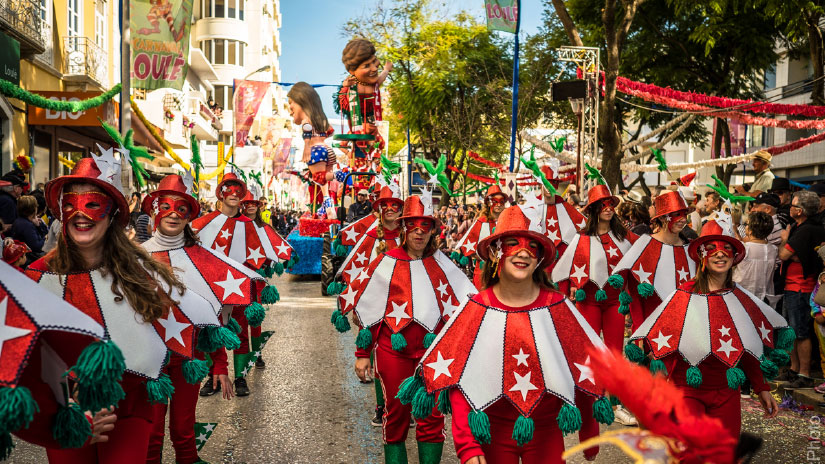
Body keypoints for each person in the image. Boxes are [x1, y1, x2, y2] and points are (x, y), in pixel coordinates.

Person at [27, 157, 221, 463]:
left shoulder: (144, 275)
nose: (80, 214)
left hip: (129, 404)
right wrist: (70, 405)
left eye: (92, 204)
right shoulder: (37, 277)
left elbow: (165, 339)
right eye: (70, 203)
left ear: (113, 213)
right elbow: (24, 353)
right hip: (65, 409)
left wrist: (220, 362)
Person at [405, 204, 613, 464]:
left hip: (547, 433)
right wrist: (467, 445)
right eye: (512, 243)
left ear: (539, 258)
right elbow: (459, 381)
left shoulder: (558, 308)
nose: (523, 252)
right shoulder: (475, 309)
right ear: (495, 253)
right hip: (492, 433)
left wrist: (589, 436)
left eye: (532, 246)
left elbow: (585, 372)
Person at [338, 195, 475, 464]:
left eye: (425, 225)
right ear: (404, 228)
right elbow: (369, 309)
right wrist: (362, 353)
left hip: (432, 355)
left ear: (433, 230)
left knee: (432, 417)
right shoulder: (384, 262)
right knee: (396, 415)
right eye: (413, 224)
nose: (420, 231)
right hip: (393, 351)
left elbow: (466, 307)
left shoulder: (443, 264)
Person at [141, 175, 263, 464]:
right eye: (166, 206)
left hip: (189, 356)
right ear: (156, 211)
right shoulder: (134, 257)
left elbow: (212, 318)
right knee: (151, 432)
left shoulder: (203, 259)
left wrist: (220, 364)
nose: (172, 213)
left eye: (181, 209)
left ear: (188, 217)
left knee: (183, 429)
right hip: (147, 360)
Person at [628, 217, 785, 440]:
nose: (720, 253)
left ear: (734, 258)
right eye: (711, 249)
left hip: (727, 392)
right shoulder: (683, 295)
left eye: (726, 248)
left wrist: (761, 387)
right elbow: (663, 347)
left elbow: (748, 346)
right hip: (686, 390)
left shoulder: (741, 298)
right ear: (702, 256)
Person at [552, 181, 637, 438]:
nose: (608, 209)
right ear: (593, 210)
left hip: (614, 304)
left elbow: (641, 260)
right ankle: (585, 400)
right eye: (603, 205)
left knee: (614, 353)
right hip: (586, 302)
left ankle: (613, 403)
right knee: (585, 353)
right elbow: (562, 273)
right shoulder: (579, 238)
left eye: (610, 204)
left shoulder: (624, 238)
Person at [192, 173, 283, 397]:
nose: (232, 194)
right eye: (227, 189)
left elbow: (264, 251)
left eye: (237, 190)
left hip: (239, 285)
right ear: (220, 193)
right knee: (212, 328)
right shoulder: (203, 223)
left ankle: (240, 376)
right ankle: (213, 376)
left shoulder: (249, 225)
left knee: (240, 329)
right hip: (211, 286)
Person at [613, 190, 696, 334]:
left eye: (684, 214)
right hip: (652, 320)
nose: (682, 219)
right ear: (663, 218)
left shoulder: (691, 248)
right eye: (677, 214)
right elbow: (625, 278)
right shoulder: (644, 244)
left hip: (683, 321)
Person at [776, 190, 825, 389]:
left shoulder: (806, 230)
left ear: (801, 211)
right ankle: (795, 369)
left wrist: (784, 239)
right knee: (792, 331)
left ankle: (804, 373)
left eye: (793, 206)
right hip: (792, 285)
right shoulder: (802, 227)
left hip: (800, 287)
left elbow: (785, 254)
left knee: (801, 332)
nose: (790, 209)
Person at [453, 185, 508, 288]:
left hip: (504, 274)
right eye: (495, 201)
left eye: (502, 201)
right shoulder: (481, 222)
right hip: (482, 273)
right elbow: (468, 248)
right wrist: (486, 258)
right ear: (488, 203)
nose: (498, 204)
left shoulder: (507, 222)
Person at [733, 211, 778, 301]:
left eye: (747, 224)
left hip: (742, 295)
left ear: (750, 230)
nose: (745, 226)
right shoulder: (773, 249)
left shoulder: (744, 248)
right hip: (765, 298)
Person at [11, 195, 47, 263]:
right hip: (28, 260)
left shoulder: (19, 221)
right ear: (33, 209)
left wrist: (38, 225)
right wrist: (46, 237)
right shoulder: (27, 225)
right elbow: (38, 247)